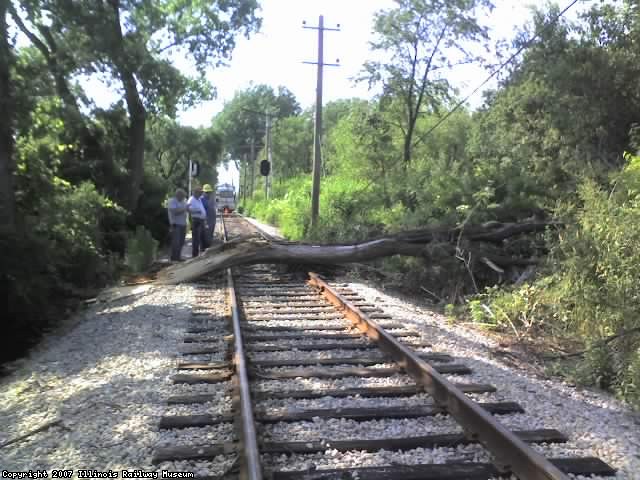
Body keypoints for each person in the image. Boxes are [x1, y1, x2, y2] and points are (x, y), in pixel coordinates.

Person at [167, 188, 187, 261]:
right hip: (176, 225)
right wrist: (184, 208)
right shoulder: (172, 201)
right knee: (176, 243)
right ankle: (174, 258)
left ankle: (178, 257)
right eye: (182, 196)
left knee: (181, 242)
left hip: (183, 224)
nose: (183, 198)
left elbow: (186, 209)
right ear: (178, 195)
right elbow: (175, 212)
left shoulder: (183, 201)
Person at [187, 186, 207, 257]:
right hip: (196, 221)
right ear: (195, 192)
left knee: (202, 238)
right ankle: (195, 256)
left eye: (201, 192)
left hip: (201, 221)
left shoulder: (198, 199)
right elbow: (188, 208)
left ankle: (202, 254)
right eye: (199, 192)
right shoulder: (191, 199)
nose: (201, 194)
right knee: (196, 239)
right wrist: (197, 211)